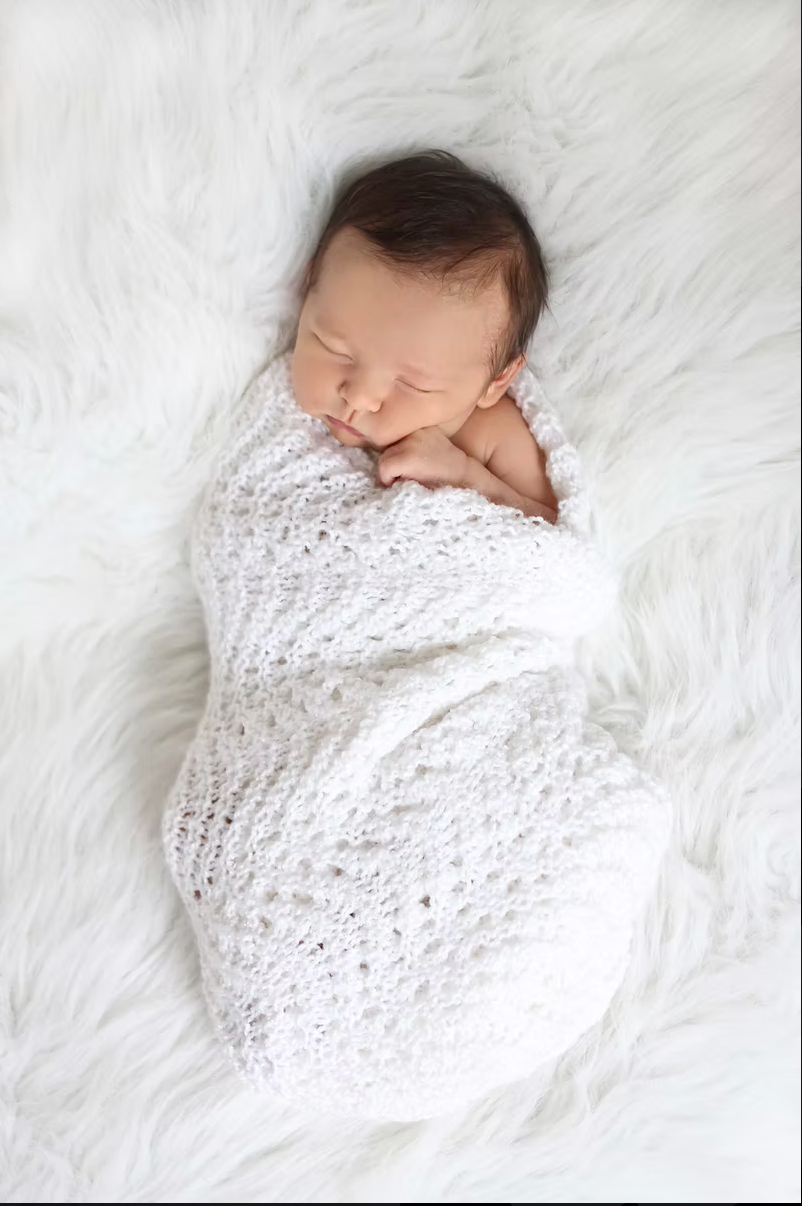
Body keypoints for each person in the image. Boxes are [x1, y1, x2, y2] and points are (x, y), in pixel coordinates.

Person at [291, 150, 558, 522]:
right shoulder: (282, 410)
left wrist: (466, 476)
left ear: (496, 381)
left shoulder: (491, 434)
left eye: (413, 384)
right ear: (307, 287)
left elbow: (548, 537)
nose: (359, 397)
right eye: (333, 348)